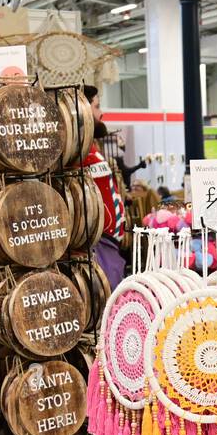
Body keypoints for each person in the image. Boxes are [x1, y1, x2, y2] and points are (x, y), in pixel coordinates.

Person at [81, 85, 126, 288]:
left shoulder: (91, 147)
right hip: (98, 240)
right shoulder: (79, 152)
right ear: (83, 108)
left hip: (108, 240)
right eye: (97, 106)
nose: (101, 112)